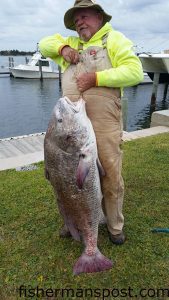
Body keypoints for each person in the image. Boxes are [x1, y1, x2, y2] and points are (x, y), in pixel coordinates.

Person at [39, 0, 144, 245]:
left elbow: (134, 71)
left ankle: (114, 225)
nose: (79, 23)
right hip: (69, 130)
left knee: (109, 175)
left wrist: (97, 77)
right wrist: (63, 47)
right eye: (76, 20)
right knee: (66, 180)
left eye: (84, 17)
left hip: (104, 122)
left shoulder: (114, 40)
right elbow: (44, 45)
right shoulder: (73, 44)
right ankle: (73, 222)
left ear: (99, 16)